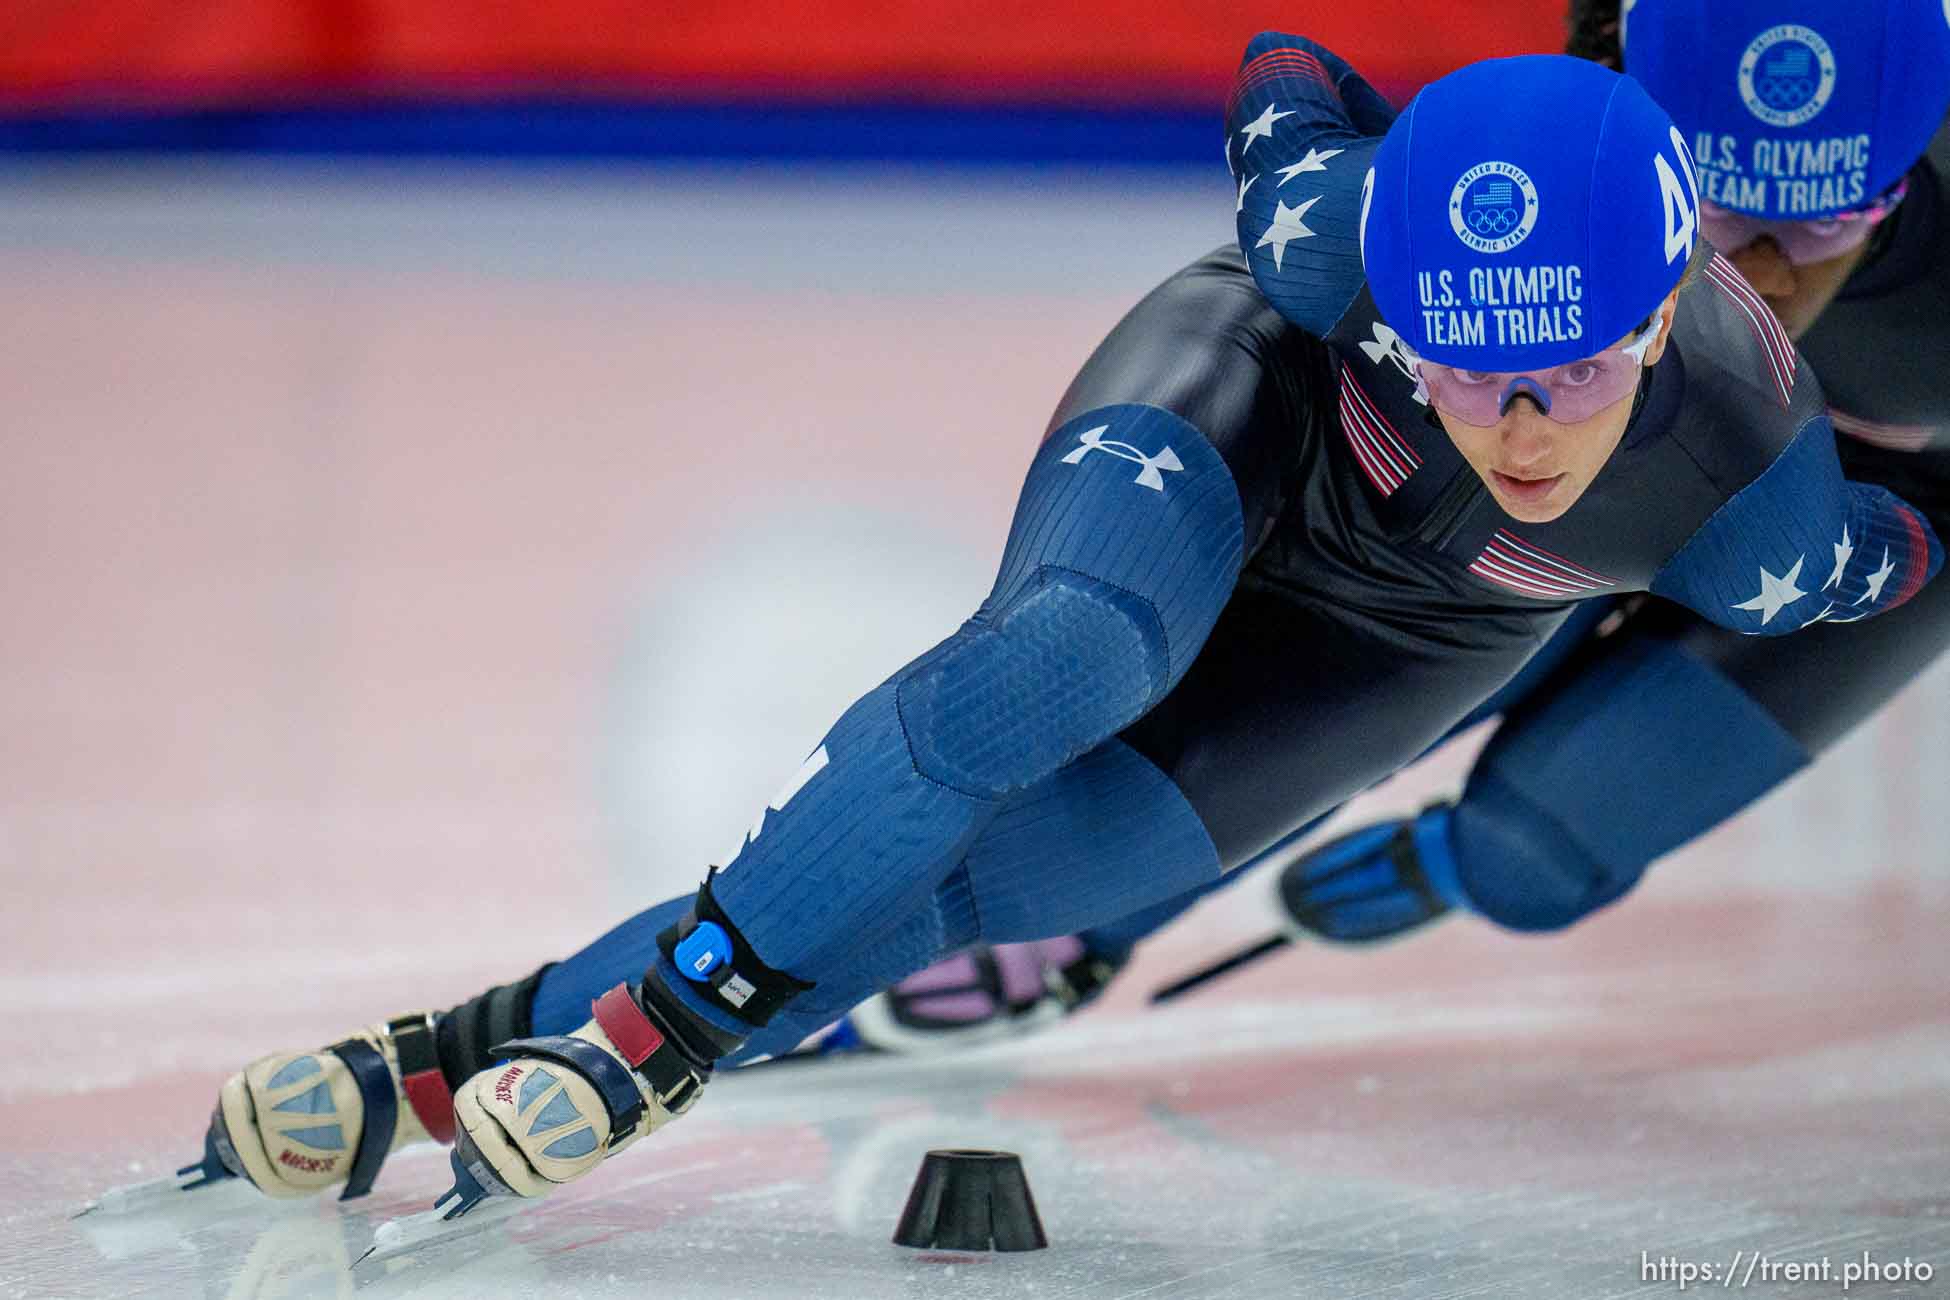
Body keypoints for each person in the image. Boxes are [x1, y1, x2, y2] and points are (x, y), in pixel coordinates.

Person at [184, 36, 1937, 1212]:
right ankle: (662, 1032)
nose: (1520, 429)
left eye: (1564, 378)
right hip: (1251, 416)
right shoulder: (1336, 246)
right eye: (1470, 370)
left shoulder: (1757, 508)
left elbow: (1895, 562)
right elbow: (1291, 78)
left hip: (1411, 636)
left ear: (1659, 320)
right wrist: (693, 1022)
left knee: (1007, 886)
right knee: (1058, 661)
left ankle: (457, 1055)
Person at [871, 0, 1950, 1032]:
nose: (1762, 266)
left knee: (1532, 845)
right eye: (1719, 206)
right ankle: (1078, 926)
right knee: (1363, 658)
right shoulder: (1582, 146)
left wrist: (1456, 857)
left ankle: (1462, 852)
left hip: (1892, 497)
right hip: (1611, 459)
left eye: (1824, 217)